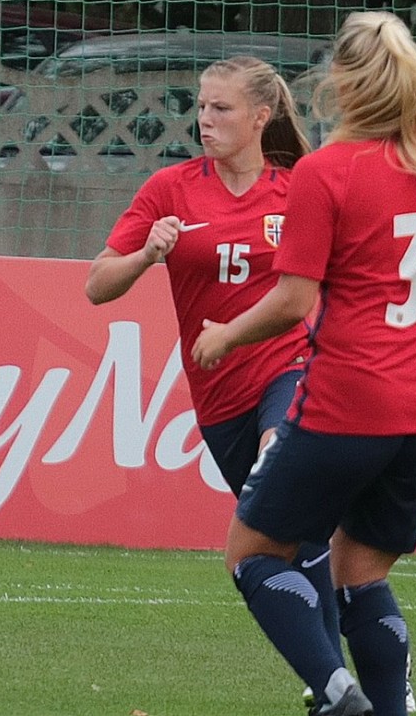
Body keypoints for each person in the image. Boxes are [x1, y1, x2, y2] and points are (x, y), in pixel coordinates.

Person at [192, 11, 416, 716]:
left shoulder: (326, 173)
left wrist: (226, 334)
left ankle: (334, 691)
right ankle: (386, 708)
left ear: (344, 83)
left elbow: (293, 301)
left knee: (253, 552)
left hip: (345, 406)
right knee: (361, 571)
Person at [85, 55, 357, 707]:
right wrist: (149, 253)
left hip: (293, 372)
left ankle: (336, 685)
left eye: (221, 108)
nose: (205, 119)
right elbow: (98, 284)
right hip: (219, 401)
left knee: (281, 465)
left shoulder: (298, 189)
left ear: (261, 116)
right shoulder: (171, 189)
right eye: (201, 106)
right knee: (293, 546)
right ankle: (333, 686)